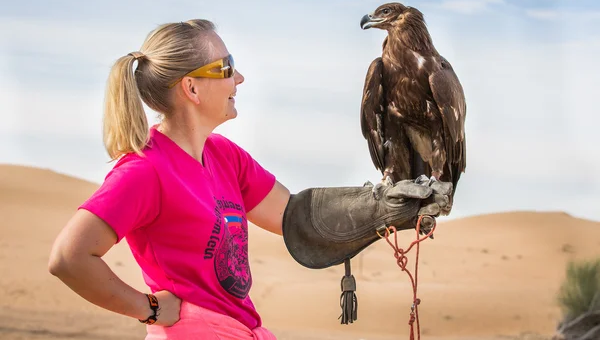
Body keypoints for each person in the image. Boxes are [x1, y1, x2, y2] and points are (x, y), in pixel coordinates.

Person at [48, 19, 452, 339]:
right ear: (191, 87)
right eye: (226, 68)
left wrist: (385, 206)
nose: (238, 79)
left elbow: (297, 217)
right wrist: (148, 308)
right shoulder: (144, 171)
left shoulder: (224, 156)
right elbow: (69, 257)